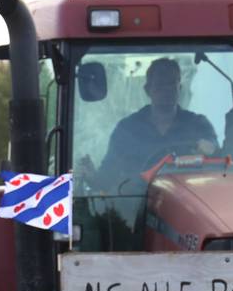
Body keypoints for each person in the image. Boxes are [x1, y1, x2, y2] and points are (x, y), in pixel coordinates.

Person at [92, 58, 219, 192]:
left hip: (189, 205)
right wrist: (91, 177)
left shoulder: (198, 125)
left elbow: (222, 167)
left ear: (179, 88)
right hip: (135, 209)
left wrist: (212, 150)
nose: (167, 89)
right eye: (160, 84)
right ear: (148, 89)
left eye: (171, 83)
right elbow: (106, 179)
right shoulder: (127, 130)